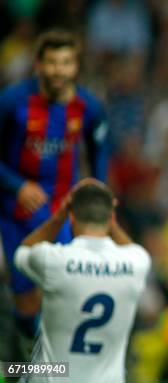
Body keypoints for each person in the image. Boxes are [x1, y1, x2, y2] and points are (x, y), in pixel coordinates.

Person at [0, 29, 108, 339]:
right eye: (51, 62)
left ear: (76, 66)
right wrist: (17, 185)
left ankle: (54, 367)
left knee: (63, 290)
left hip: (60, 210)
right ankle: (24, 366)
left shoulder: (88, 107)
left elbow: (99, 151)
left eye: (66, 62)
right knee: (25, 299)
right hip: (14, 211)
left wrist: (95, 194)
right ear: (38, 64)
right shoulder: (12, 102)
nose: (58, 70)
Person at [14, 179, 150, 383]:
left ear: (71, 217)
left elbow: (22, 252)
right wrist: (111, 223)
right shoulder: (136, 263)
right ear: (111, 217)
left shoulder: (55, 261)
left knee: (13, 370)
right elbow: (133, 250)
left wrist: (59, 215)